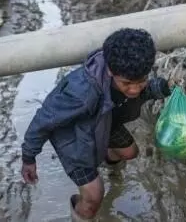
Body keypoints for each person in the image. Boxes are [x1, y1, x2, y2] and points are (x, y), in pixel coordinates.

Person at [21, 28, 171, 221]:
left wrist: (159, 87)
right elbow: (43, 120)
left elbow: (137, 91)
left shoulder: (130, 75)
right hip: (74, 138)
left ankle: (111, 170)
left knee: (130, 152)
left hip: (104, 121)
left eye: (141, 81)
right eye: (127, 83)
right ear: (110, 70)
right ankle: (82, 214)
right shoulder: (81, 92)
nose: (134, 90)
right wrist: (29, 157)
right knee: (94, 197)